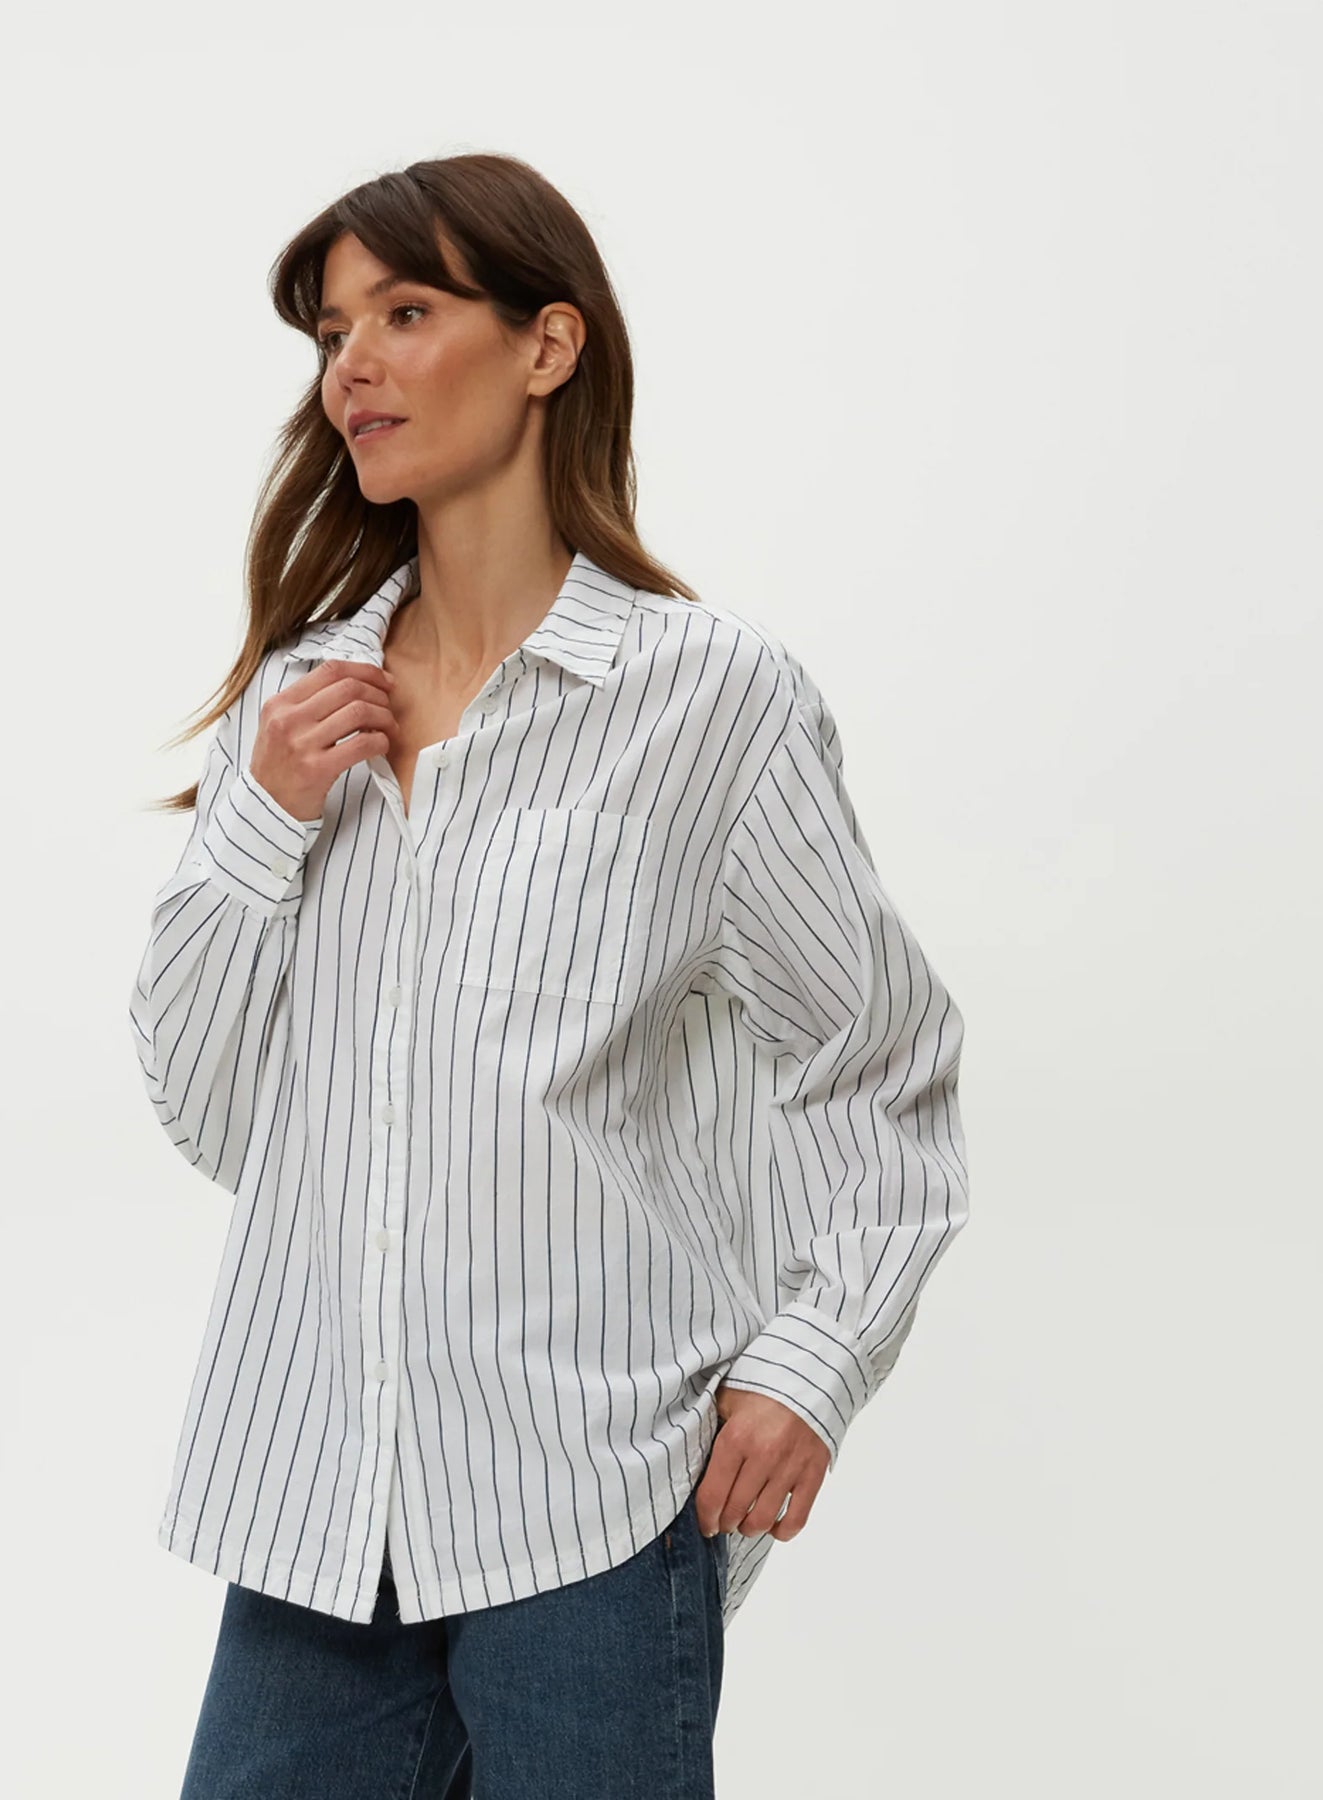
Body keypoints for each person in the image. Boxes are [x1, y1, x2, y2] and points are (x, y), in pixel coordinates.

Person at [128, 151, 970, 1800]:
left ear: (547, 344)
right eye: (332, 334)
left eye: (404, 313)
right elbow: (212, 1112)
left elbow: (881, 1066)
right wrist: (261, 822)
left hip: (589, 1506)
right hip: (312, 1511)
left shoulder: (711, 701)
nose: (351, 368)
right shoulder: (299, 708)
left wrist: (812, 1364)